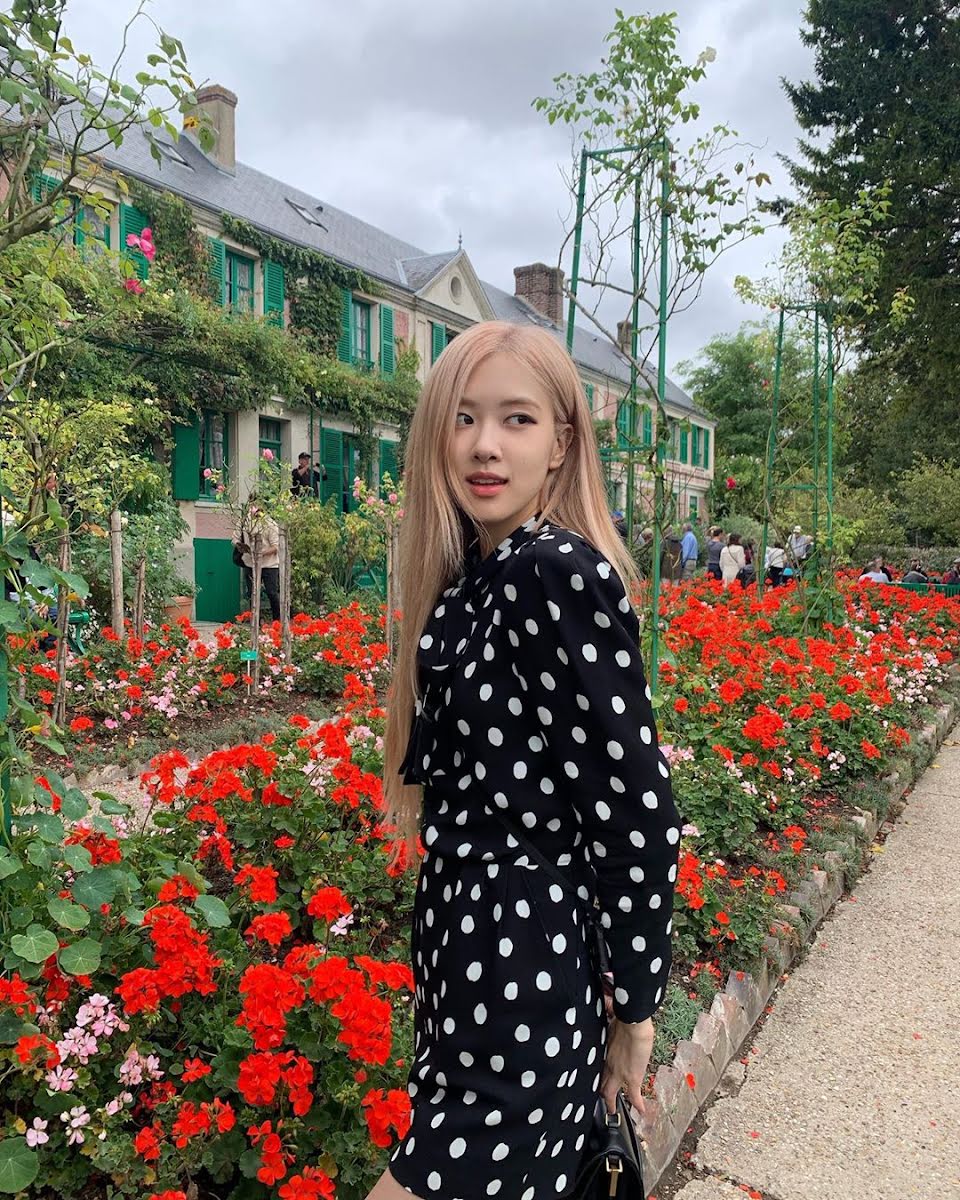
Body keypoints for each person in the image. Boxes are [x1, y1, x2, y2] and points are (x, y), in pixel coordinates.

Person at [376, 321, 680, 1200]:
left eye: (517, 419)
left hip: (521, 967)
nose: (484, 445)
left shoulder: (551, 574)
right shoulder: (480, 575)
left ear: (560, 445)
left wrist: (636, 1009)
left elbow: (636, 813)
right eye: (464, 417)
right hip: (477, 952)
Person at [232, 495, 281, 621]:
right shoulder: (244, 521)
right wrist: (239, 546)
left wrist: (261, 553)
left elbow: (276, 546)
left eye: (257, 505)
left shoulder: (269, 523)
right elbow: (235, 539)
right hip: (250, 563)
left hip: (269, 564)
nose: (253, 508)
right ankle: (257, 622)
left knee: (271, 593)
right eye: (252, 505)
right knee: (253, 594)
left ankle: (277, 621)